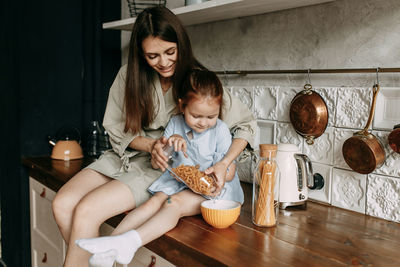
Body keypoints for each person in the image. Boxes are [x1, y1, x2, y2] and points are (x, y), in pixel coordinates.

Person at [51, 6, 256, 267]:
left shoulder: (195, 82)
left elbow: (246, 126)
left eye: (170, 52)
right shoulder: (128, 76)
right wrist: (151, 145)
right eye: (153, 55)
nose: (164, 62)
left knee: (87, 210)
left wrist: (224, 162)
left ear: (180, 44)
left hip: (159, 168)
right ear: (140, 53)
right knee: (62, 203)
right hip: (125, 156)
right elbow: (115, 128)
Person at [75, 69, 245, 267]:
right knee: (152, 202)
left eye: (211, 117)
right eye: (196, 115)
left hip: (213, 190)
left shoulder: (221, 131)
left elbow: (229, 171)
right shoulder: (174, 124)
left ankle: (130, 243)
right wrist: (169, 145)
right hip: (180, 182)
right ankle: (110, 246)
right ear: (182, 106)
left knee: (173, 203)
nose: (203, 123)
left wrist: (219, 172)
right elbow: (158, 163)